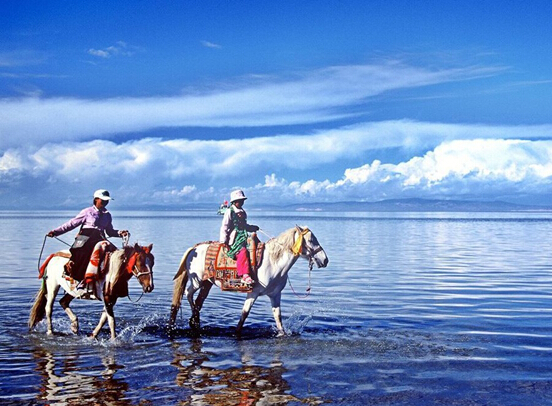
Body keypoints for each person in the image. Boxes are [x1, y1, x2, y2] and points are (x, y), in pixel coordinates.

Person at [47, 189, 128, 297]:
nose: (105, 203)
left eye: (107, 201)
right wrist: (56, 232)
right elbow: (71, 224)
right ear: (96, 200)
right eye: (103, 200)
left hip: (99, 238)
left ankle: (113, 284)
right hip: (85, 238)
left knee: (116, 255)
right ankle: (82, 281)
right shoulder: (87, 212)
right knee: (83, 254)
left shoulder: (107, 215)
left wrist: (119, 233)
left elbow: (109, 231)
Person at [219, 190, 259, 285]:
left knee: (257, 246)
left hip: (244, 235)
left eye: (242, 200)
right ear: (234, 202)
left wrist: (252, 227)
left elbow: (244, 226)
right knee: (243, 251)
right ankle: (244, 275)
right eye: (239, 201)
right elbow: (225, 226)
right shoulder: (230, 211)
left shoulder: (242, 212)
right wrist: (223, 241)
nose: (241, 202)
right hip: (235, 239)